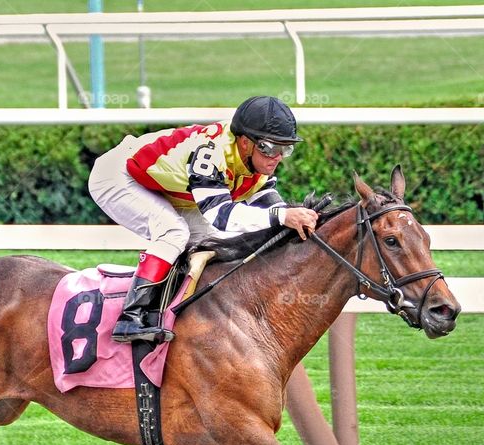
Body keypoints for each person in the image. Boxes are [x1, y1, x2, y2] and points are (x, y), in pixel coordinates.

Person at [88, 95, 319, 342]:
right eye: (271, 147)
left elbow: (265, 200)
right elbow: (221, 216)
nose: (278, 157)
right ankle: (132, 317)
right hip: (118, 175)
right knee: (173, 231)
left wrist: (296, 219)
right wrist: (282, 216)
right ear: (244, 143)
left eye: (286, 148)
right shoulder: (211, 153)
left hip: (161, 186)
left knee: (220, 240)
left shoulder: (254, 160)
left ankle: (187, 308)